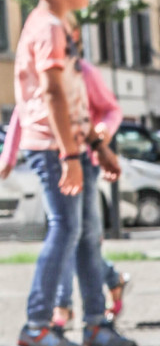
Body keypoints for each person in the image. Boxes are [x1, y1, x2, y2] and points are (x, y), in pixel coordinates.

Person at [14, 0, 137, 346]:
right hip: (54, 147)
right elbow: (52, 94)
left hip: (70, 145)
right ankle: (36, 325)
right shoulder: (47, 26)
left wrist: (96, 147)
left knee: (88, 236)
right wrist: (69, 155)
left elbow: (74, 95)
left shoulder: (57, 25)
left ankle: (96, 325)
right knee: (66, 229)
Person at [0, 19, 131, 327]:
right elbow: (24, 109)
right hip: (56, 155)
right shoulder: (45, 69)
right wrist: (9, 155)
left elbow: (111, 109)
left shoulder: (85, 73)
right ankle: (83, 300)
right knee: (68, 232)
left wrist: (102, 139)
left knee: (76, 234)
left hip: (82, 158)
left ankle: (70, 308)